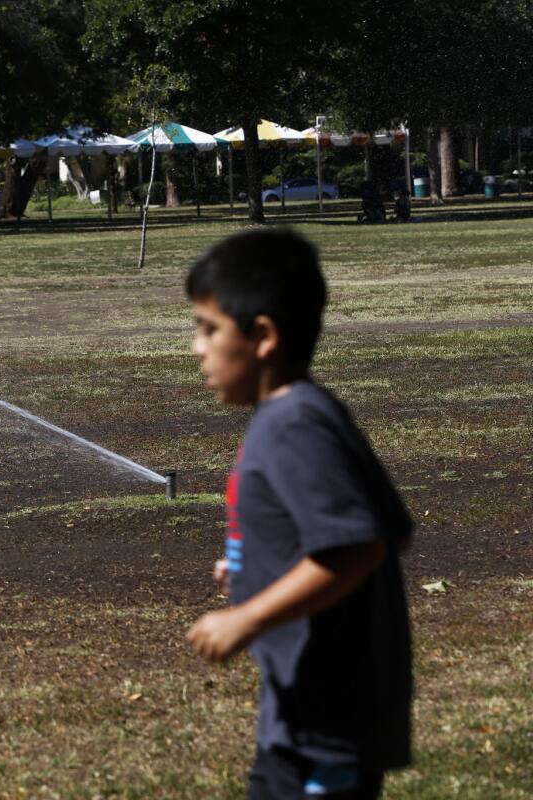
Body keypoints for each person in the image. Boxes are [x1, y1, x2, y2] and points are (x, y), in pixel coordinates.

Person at [183, 229, 413, 799]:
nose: (197, 347)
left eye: (209, 329)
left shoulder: (296, 425)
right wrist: (255, 560)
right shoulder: (295, 413)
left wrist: (248, 617)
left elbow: (361, 546)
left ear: (262, 336)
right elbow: (382, 527)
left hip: (328, 715)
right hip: (304, 710)